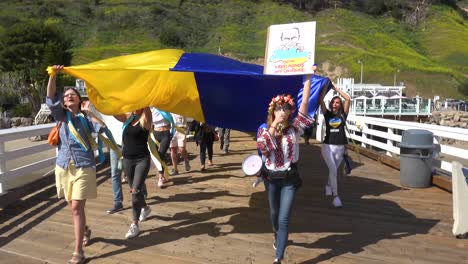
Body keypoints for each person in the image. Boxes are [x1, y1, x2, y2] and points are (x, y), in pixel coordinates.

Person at [46, 65, 106, 264]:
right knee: (72, 206)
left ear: (80, 99)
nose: (69, 96)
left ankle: (78, 251)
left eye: (73, 94)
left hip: (84, 166)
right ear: (63, 102)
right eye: (66, 95)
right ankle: (86, 230)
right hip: (63, 167)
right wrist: (53, 75)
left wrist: (89, 113)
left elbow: (102, 129)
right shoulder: (62, 116)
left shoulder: (85, 119)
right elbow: (50, 97)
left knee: (76, 209)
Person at [257, 75, 314, 264]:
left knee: (283, 218)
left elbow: (305, 103)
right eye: (279, 108)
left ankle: (278, 258)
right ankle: (277, 235)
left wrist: (308, 79)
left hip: (290, 176)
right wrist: (274, 124)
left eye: (286, 108)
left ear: (290, 111)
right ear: (273, 111)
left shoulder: (294, 129)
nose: (283, 111)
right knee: (274, 214)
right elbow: (264, 148)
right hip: (271, 177)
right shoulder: (264, 129)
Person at [114, 107, 153, 239]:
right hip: (127, 160)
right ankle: (145, 208)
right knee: (134, 190)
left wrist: (144, 99)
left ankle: (134, 224)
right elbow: (113, 112)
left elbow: (146, 109)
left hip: (142, 160)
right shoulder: (128, 117)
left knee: (135, 191)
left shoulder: (145, 119)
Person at [319, 81, 351, 208]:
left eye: (337, 102)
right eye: (333, 102)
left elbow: (348, 99)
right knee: (333, 170)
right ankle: (336, 196)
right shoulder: (327, 114)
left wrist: (337, 90)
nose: (335, 104)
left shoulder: (343, 115)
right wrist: (327, 87)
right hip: (328, 146)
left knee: (334, 170)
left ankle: (328, 186)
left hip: (340, 147)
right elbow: (321, 100)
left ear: (340, 104)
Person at [150, 107, 173, 188]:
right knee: (155, 156)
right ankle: (163, 172)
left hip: (165, 133)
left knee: (161, 154)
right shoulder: (152, 108)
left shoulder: (166, 107)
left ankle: (161, 177)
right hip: (155, 134)